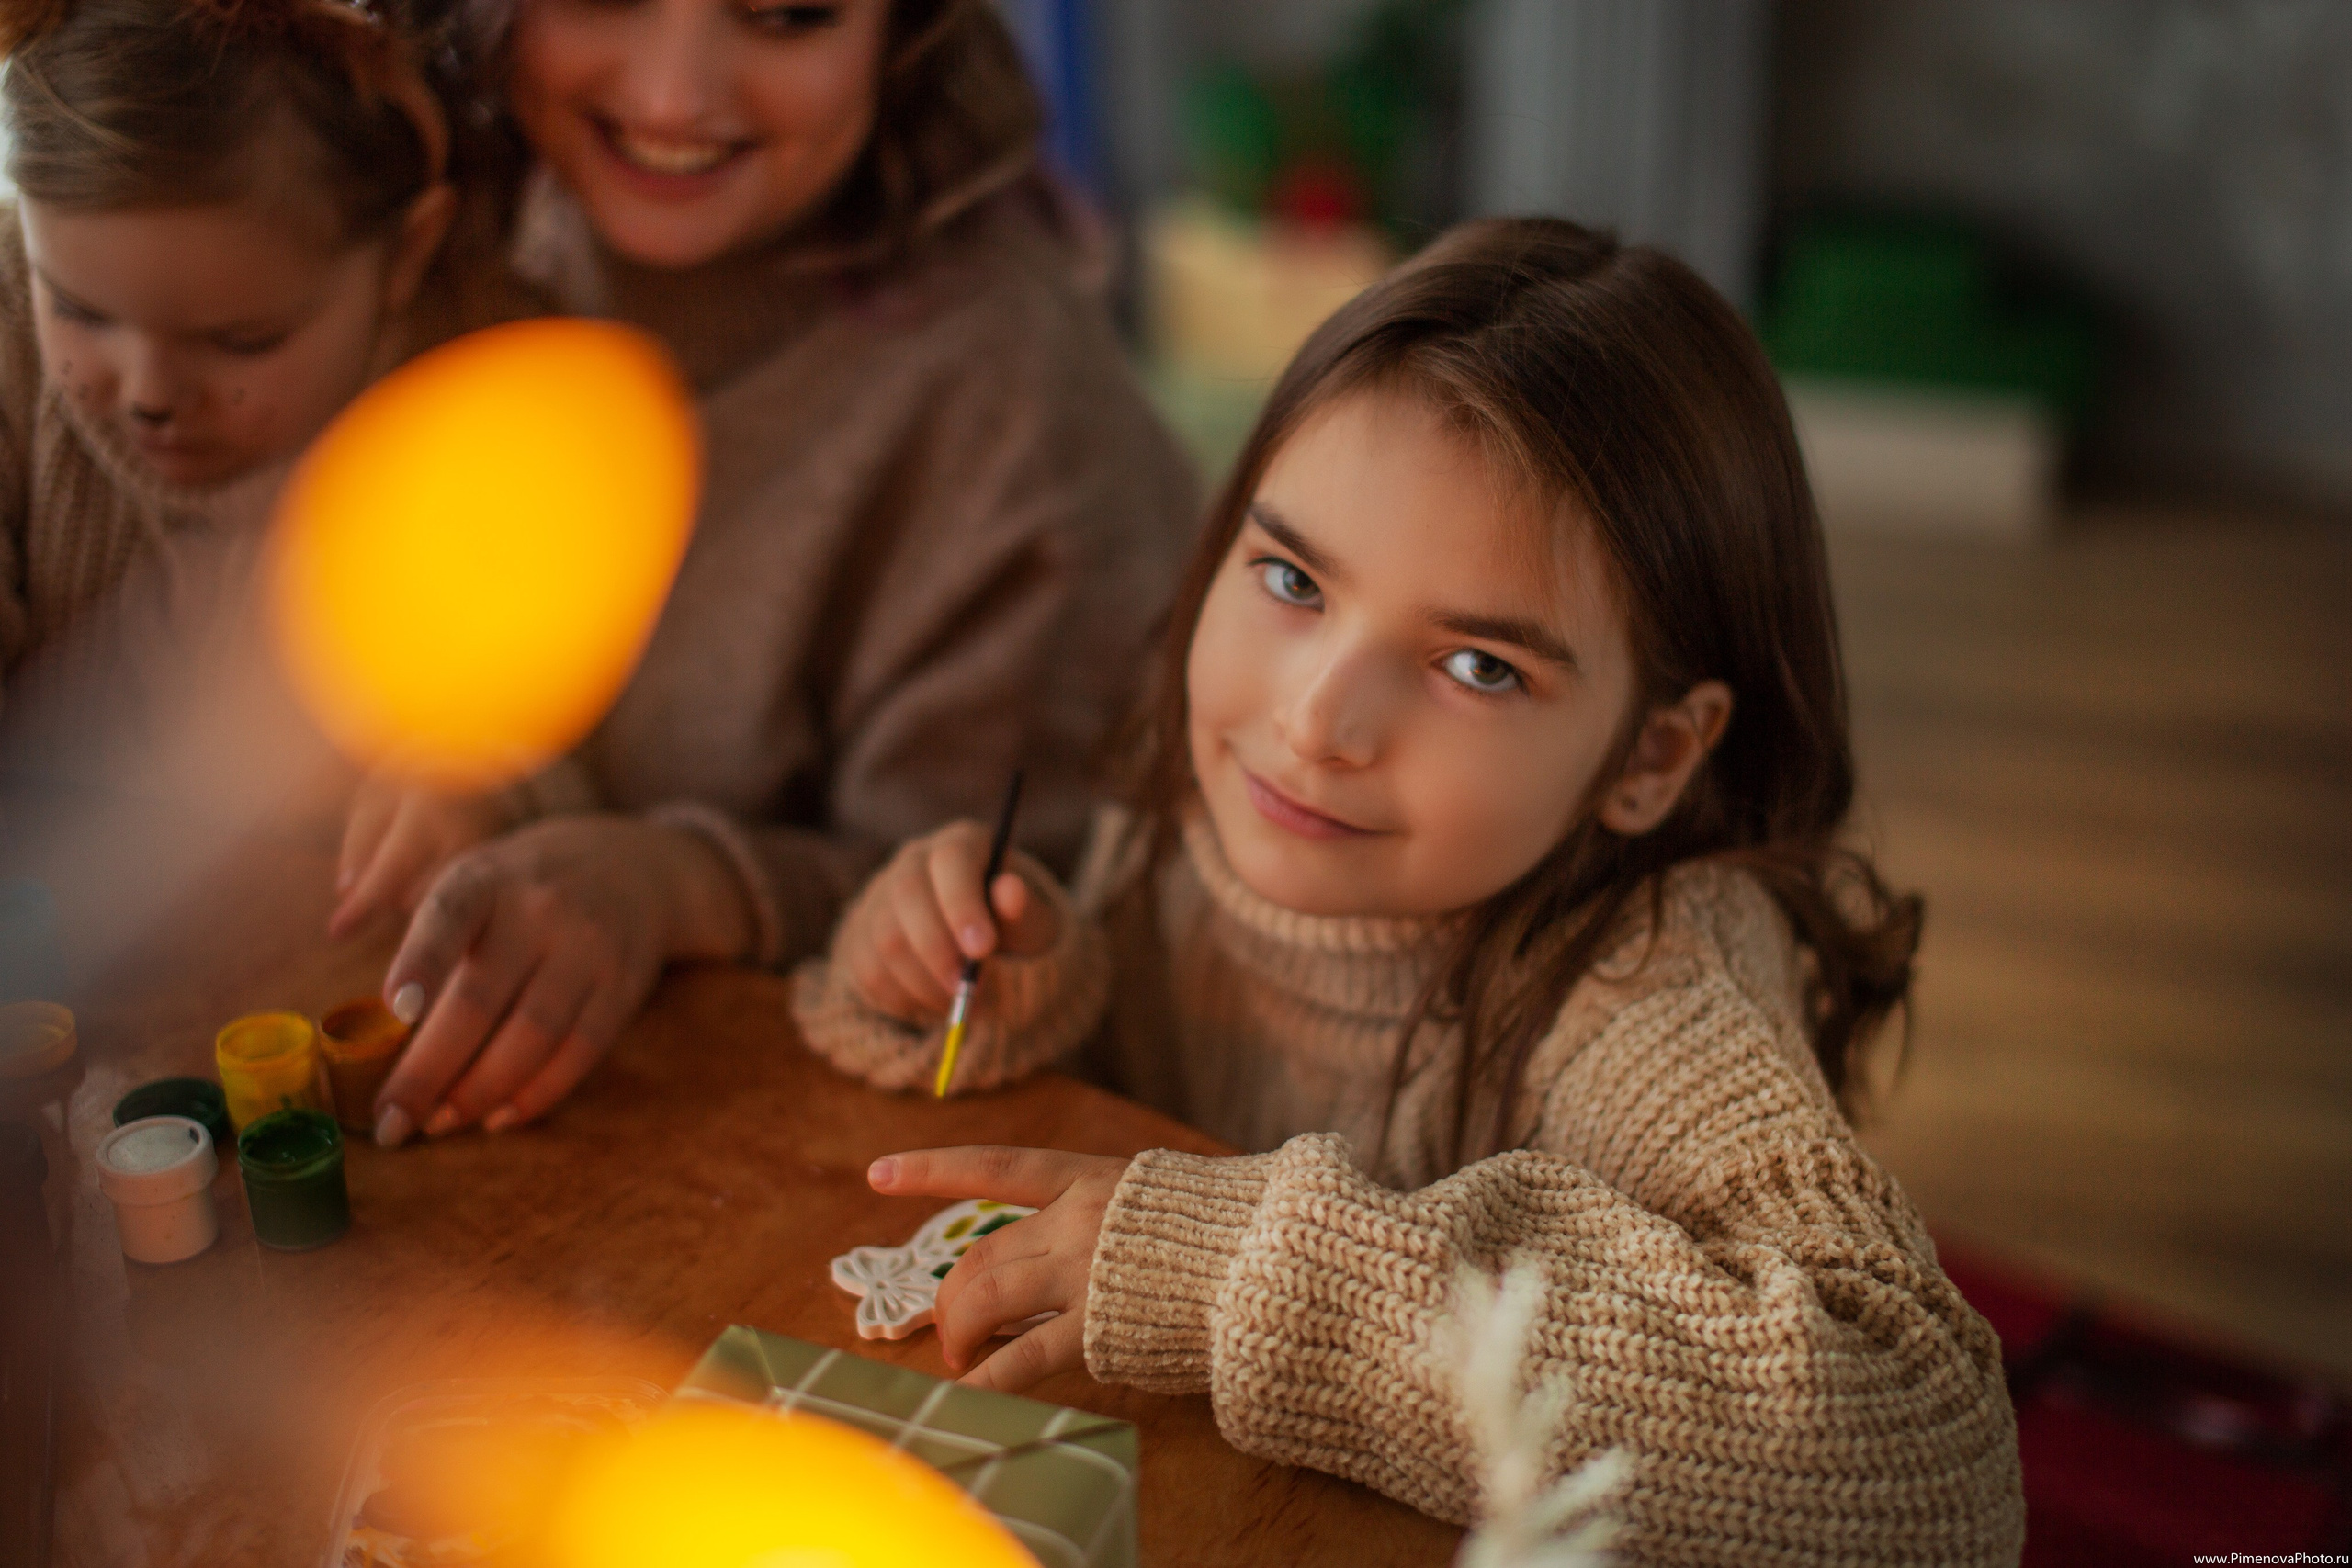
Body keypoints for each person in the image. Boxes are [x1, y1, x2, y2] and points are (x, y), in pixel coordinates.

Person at [797, 220, 2025, 1563]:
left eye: (1479, 666)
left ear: (1651, 756)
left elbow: (1934, 1464)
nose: (1314, 721)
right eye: (1292, 580)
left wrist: (1246, 1276)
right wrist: (1012, 984)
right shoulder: (1209, 798)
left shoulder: (1651, 978)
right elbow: (1095, 1147)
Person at [340, 0, 1196, 1148]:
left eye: (788, 13)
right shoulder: (417, 233)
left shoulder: (1014, 403)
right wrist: (468, 767)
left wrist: (679, 887)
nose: (673, 97)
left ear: (907, 30)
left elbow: (1028, 936)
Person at [0, 0, 515, 730]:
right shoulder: (9, 332)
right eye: (79, 312)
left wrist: (452, 775)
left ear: (407, 253)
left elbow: (519, 726)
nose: (149, 394)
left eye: (240, 341)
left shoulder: (483, 415)